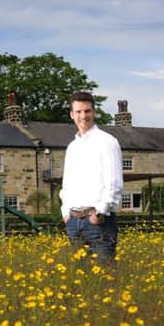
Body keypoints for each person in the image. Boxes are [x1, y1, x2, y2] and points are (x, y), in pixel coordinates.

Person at [59, 92, 123, 265]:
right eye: (78, 112)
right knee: (82, 280)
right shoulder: (72, 147)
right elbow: (67, 183)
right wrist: (66, 213)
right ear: (72, 115)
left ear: (94, 112)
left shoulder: (107, 142)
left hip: (98, 221)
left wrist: (100, 212)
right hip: (73, 221)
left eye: (87, 111)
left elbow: (114, 182)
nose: (83, 116)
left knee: (105, 276)